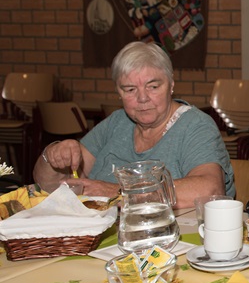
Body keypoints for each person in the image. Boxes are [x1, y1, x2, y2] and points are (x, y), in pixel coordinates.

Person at [33, 42, 235, 208]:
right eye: (130, 90)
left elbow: (210, 190)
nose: (142, 98)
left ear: (171, 85)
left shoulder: (195, 125)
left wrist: (119, 193)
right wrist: (51, 156)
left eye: (153, 86)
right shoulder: (116, 122)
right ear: (118, 92)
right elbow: (51, 185)